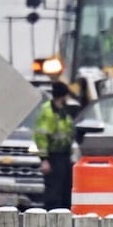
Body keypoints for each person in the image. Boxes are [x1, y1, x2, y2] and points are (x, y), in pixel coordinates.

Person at [33, 80, 80, 210]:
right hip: (53, 158)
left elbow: (68, 133)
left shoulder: (63, 111)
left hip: (64, 157)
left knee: (66, 192)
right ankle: (52, 220)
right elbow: (40, 137)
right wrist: (44, 160)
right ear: (62, 96)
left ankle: (64, 218)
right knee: (53, 193)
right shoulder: (48, 112)